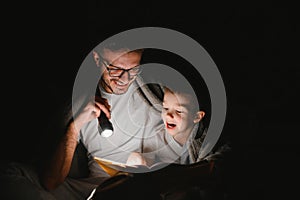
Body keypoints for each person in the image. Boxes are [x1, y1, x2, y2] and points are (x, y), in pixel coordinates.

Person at [0, 44, 183, 200]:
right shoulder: (79, 104)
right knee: (9, 173)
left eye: (133, 69)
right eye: (115, 69)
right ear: (97, 58)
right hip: (99, 187)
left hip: (142, 180)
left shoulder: (153, 93)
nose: (124, 79)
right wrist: (74, 127)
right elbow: (51, 181)